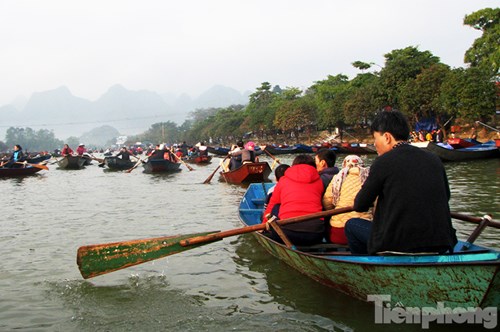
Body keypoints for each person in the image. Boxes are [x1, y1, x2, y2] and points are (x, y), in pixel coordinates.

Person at [344, 110, 457, 255]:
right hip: (441, 242)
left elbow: (360, 205)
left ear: (387, 137)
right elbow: (446, 196)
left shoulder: (382, 162)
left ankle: (367, 270)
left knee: (352, 225)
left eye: (375, 139)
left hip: (397, 244)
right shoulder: (434, 159)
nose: (375, 144)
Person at [262, 155, 325, 246]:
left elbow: (271, 205)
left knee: (277, 206)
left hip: (286, 234)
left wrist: (264, 225)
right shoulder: (320, 181)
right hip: (315, 235)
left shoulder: (283, 180)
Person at [325, 155, 372, 244]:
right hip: (363, 232)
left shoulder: (337, 178)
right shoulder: (369, 178)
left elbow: (327, 202)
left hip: (338, 232)